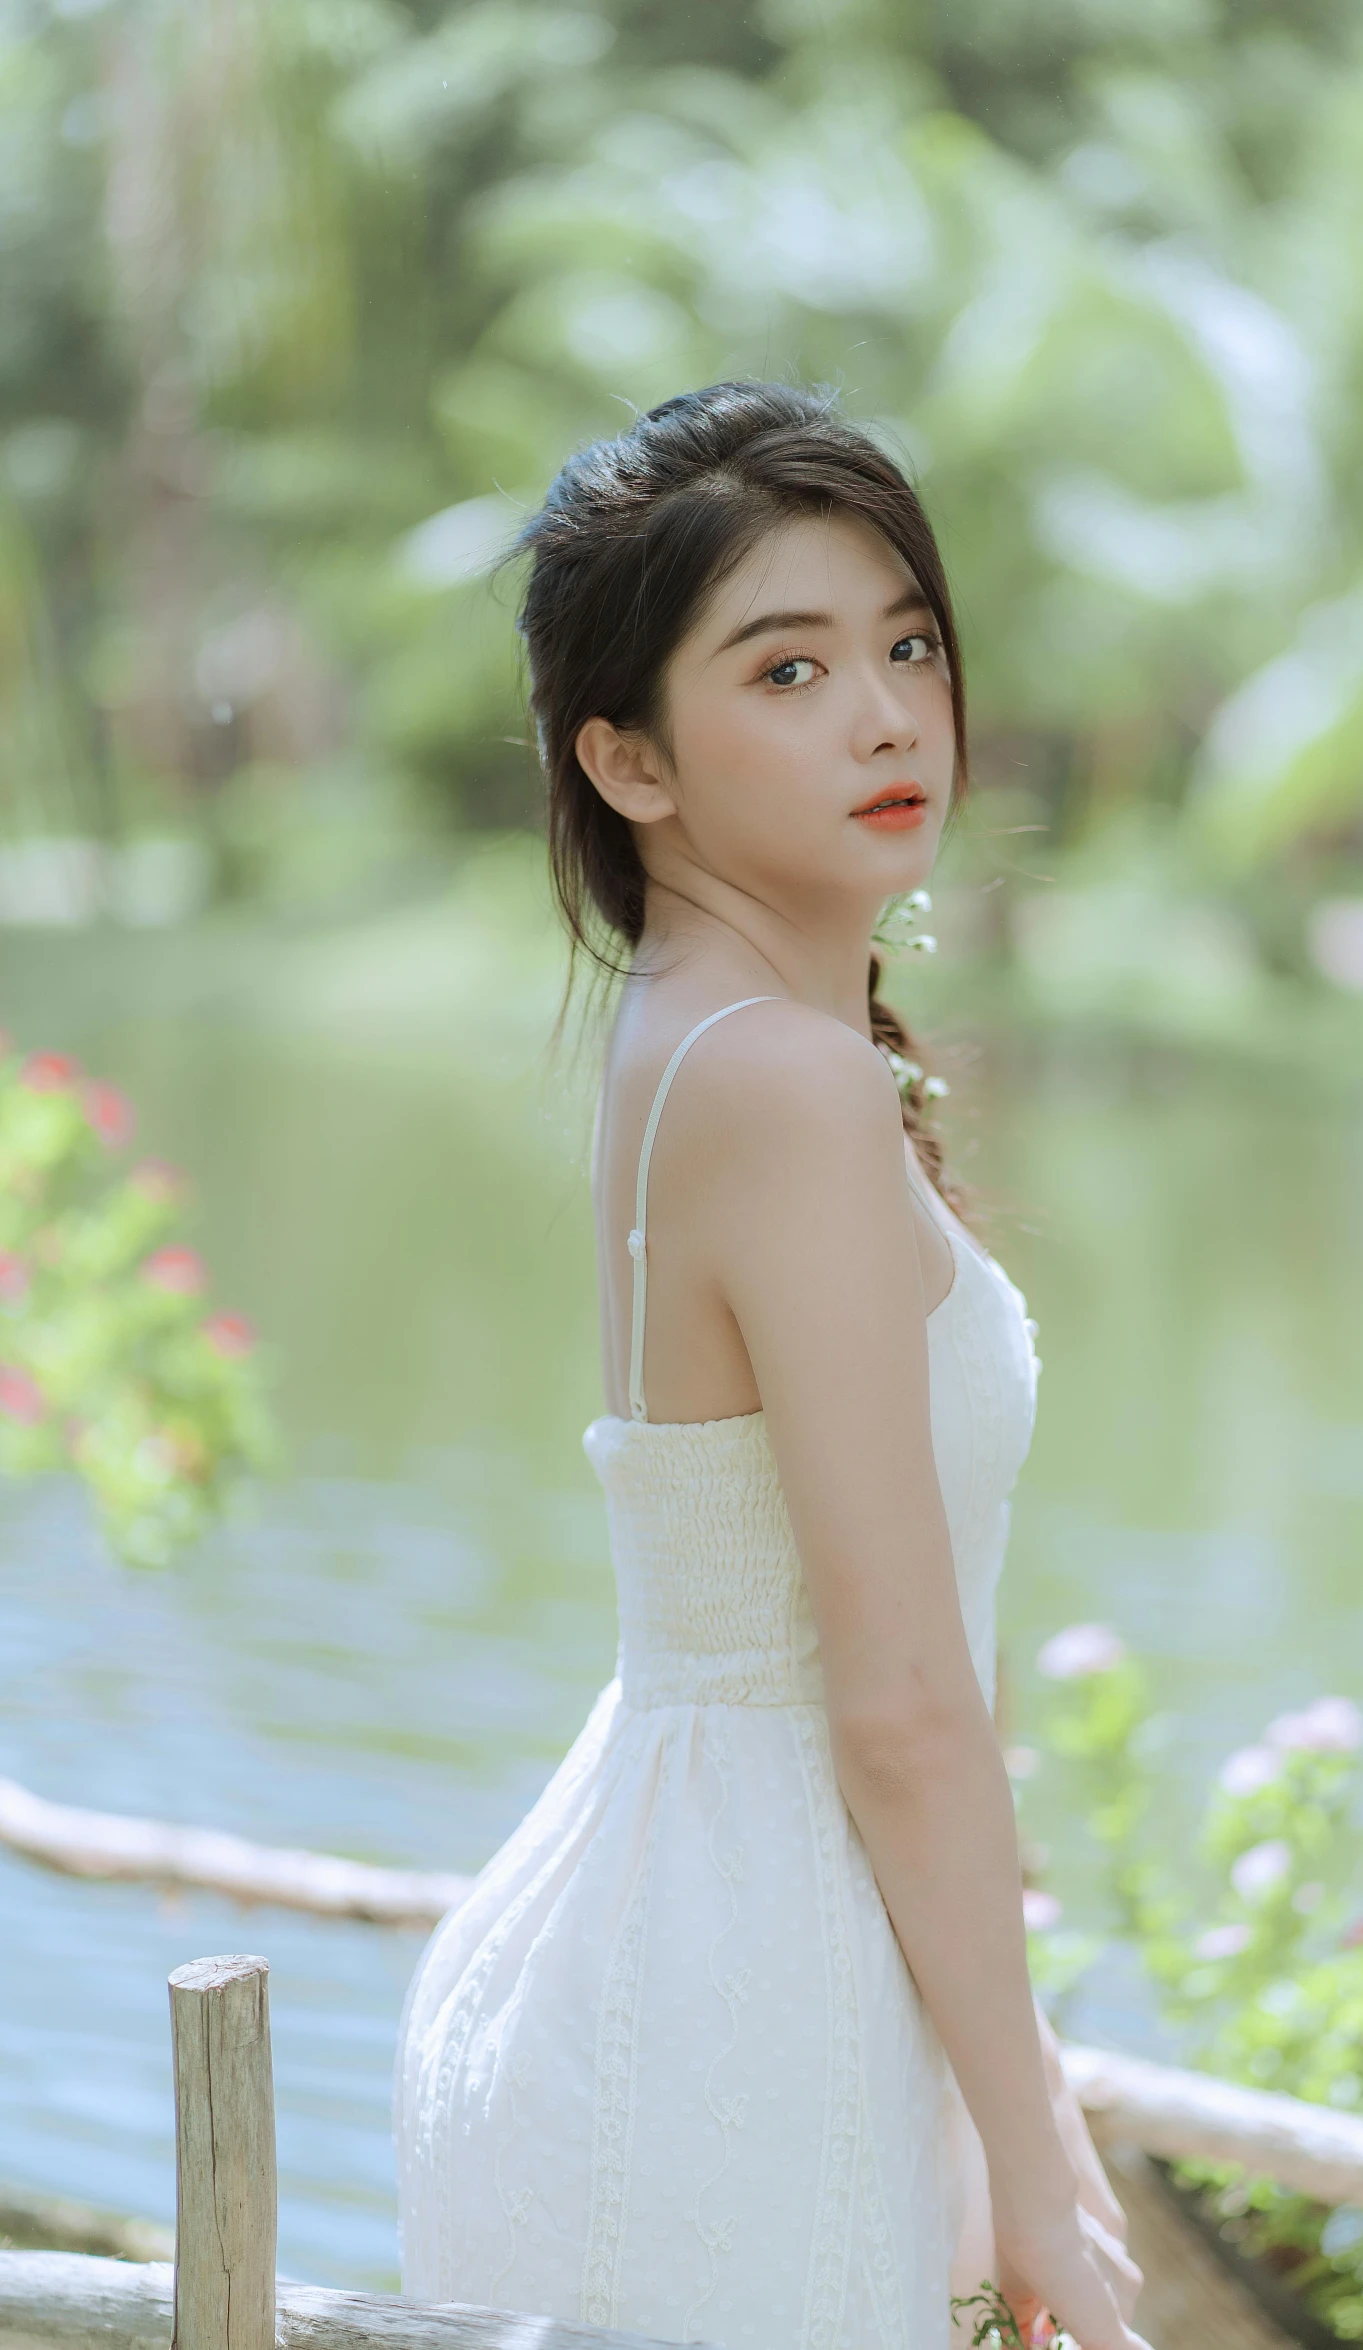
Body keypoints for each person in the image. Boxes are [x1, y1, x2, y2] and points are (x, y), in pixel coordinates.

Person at [394, 381, 1150, 2350]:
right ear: (628, 760)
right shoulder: (779, 1078)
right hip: (749, 2005)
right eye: (789, 666)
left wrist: (999, 2104)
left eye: (906, 641)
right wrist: (1038, 2154)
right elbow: (899, 1702)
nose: (890, 711)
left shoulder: (719, 1035)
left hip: (711, 1933)